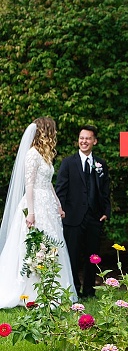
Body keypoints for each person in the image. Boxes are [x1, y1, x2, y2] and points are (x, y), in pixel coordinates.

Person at [0, 117, 78, 307]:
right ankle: (31, 290)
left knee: (53, 243)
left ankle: (53, 289)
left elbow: (48, 183)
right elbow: (30, 184)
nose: (54, 134)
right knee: (36, 245)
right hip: (35, 204)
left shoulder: (45, 155)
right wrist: (31, 213)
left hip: (47, 203)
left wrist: (58, 204)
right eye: (52, 130)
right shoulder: (32, 154)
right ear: (45, 132)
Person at [56, 125, 111, 298]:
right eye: (81, 138)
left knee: (92, 256)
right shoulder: (68, 163)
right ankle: (74, 290)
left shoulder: (101, 164)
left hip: (95, 217)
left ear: (94, 141)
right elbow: (61, 190)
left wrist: (106, 211)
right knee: (72, 256)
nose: (84, 141)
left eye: (88, 138)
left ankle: (89, 290)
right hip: (72, 217)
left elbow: (105, 190)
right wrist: (60, 210)